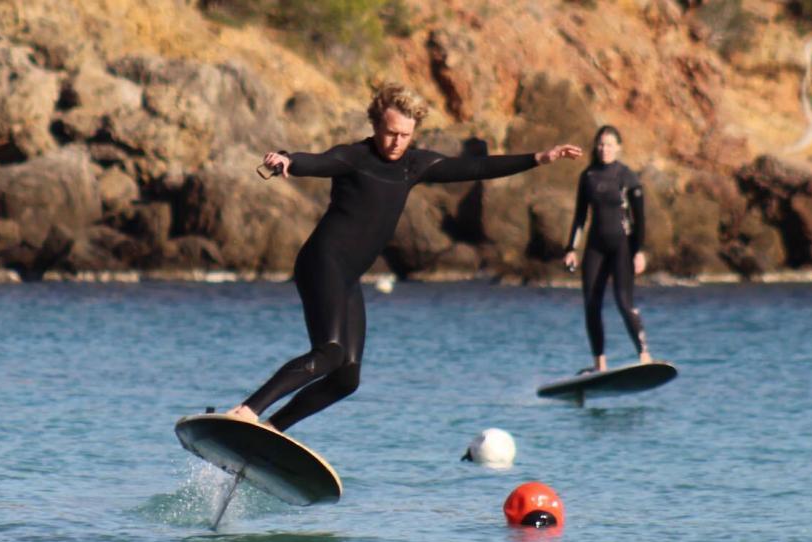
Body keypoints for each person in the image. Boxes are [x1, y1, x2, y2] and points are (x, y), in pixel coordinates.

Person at [228, 83, 582, 432]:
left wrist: (539, 158)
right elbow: (319, 161)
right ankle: (246, 410)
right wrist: (288, 159)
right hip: (322, 263)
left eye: (406, 135)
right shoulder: (355, 157)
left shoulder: (415, 165)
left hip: (348, 276)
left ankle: (273, 430)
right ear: (376, 126)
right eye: (391, 133)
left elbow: (475, 168)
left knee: (346, 378)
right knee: (329, 353)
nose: (397, 142)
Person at [562, 125, 652, 373]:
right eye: (601, 144)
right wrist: (571, 248)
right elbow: (580, 216)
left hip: (622, 245)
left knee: (624, 302)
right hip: (595, 247)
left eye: (610, 144)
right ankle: (599, 363)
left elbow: (640, 219)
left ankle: (644, 355)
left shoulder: (627, 177)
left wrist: (639, 251)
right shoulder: (588, 176)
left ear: (619, 147)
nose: (604, 149)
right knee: (591, 304)